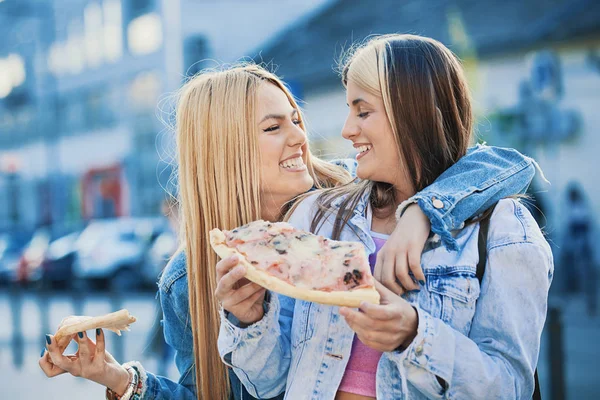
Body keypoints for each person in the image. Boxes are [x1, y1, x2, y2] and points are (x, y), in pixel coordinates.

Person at [40, 63, 538, 400]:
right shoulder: (188, 278)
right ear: (225, 148)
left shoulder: (350, 194)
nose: (301, 136)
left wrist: (421, 212)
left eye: (296, 119)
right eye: (274, 127)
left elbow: (502, 163)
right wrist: (117, 378)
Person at [216, 36, 553, 399]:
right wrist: (249, 320)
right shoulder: (318, 215)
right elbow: (270, 384)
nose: (347, 129)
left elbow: (510, 387)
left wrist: (415, 336)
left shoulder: (503, 229)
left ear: (415, 112)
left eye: (363, 111)